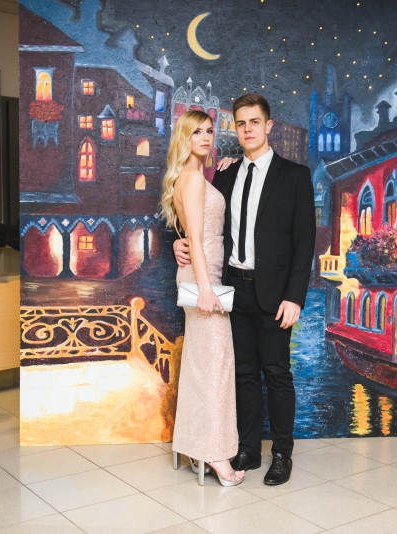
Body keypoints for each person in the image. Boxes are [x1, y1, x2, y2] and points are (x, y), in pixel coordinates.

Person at [174, 94, 316, 485]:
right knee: (244, 373)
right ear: (235, 129)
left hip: (275, 293)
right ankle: (248, 448)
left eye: (255, 122)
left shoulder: (295, 175)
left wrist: (295, 297)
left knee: (277, 373)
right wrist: (178, 243)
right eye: (241, 123)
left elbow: (305, 242)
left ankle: (282, 454)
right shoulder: (224, 174)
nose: (248, 129)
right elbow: (199, 222)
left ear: (268, 126)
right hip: (233, 288)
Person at [160, 110, 245, 486]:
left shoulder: (194, 175)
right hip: (203, 280)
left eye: (210, 130)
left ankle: (198, 446)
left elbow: (191, 234)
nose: (207, 137)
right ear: (185, 137)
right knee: (215, 368)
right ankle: (216, 457)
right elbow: (194, 237)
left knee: (202, 365)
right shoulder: (192, 178)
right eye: (197, 132)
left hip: (202, 275)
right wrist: (207, 289)